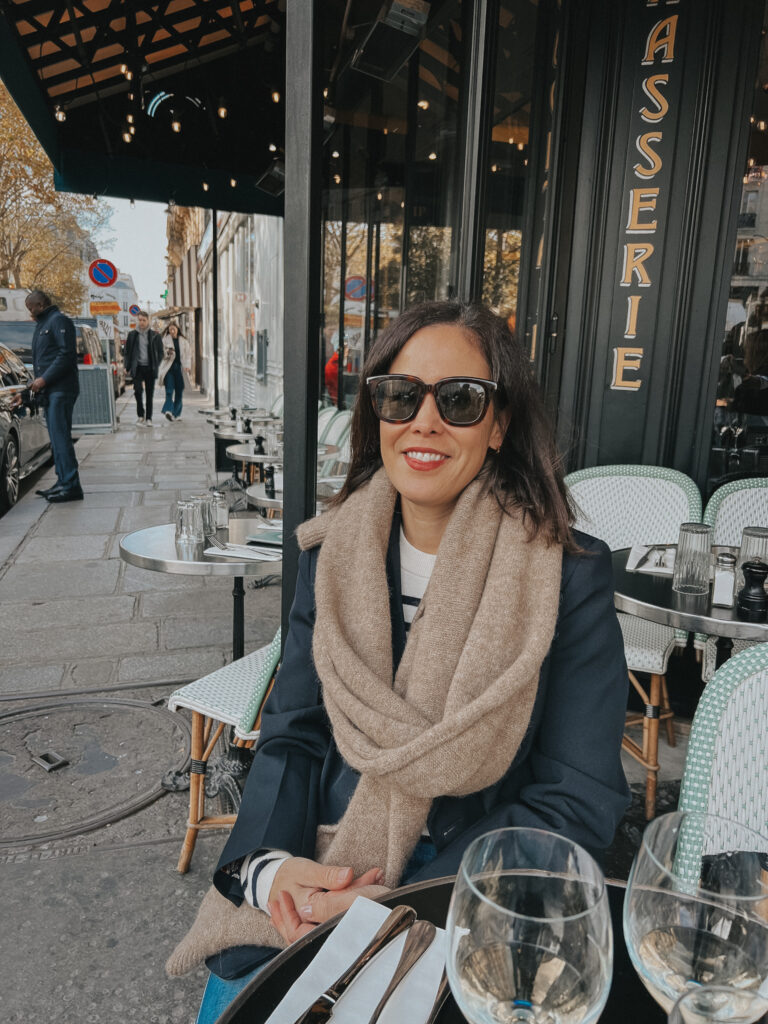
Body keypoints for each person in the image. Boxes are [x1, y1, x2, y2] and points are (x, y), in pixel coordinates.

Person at [169, 301, 630, 1020]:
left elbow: (577, 797)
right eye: (400, 395)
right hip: (325, 861)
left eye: (460, 399)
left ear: (500, 423)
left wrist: (402, 908)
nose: (425, 420)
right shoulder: (333, 555)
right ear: (376, 412)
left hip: (473, 893)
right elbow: (294, 733)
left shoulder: (566, 575)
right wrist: (274, 870)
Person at [23, 289, 83, 502]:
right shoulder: (43, 324)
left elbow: (66, 356)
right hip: (51, 391)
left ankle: (71, 486)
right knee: (56, 440)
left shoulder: (59, 321)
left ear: (41, 305)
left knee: (61, 438)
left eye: (31, 308)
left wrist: (43, 380)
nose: (30, 313)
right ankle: (63, 482)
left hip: (61, 389)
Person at [124, 310, 163, 425]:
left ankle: (149, 418)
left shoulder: (155, 335)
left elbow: (161, 352)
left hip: (150, 368)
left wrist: (156, 363)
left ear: (148, 321)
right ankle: (141, 415)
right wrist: (127, 366)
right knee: (137, 391)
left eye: (144, 320)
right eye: (140, 320)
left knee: (149, 394)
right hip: (138, 367)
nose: (141, 322)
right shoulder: (132, 335)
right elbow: (127, 352)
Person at [158, 322, 192, 421]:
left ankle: (176, 414)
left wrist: (187, 366)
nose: (172, 331)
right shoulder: (164, 340)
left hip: (180, 369)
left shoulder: (184, 341)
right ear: (168, 330)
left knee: (179, 391)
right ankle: (168, 410)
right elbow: (161, 354)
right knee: (169, 390)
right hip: (169, 369)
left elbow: (188, 355)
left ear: (177, 329)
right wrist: (167, 353)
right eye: (170, 329)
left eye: (174, 329)